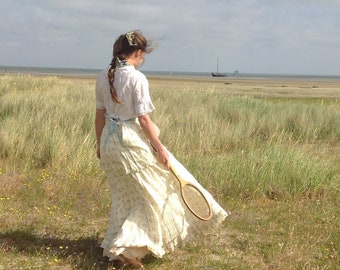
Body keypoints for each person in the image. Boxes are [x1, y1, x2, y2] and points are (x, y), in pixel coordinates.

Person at [95, 30, 228, 269]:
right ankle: (126, 248)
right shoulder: (137, 78)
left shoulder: (103, 76)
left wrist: (99, 146)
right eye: (143, 55)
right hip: (129, 143)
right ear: (137, 53)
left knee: (126, 198)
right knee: (155, 196)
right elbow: (143, 120)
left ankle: (124, 247)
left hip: (109, 143)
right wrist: (160, 149)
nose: (143, 59)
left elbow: (99, 116)